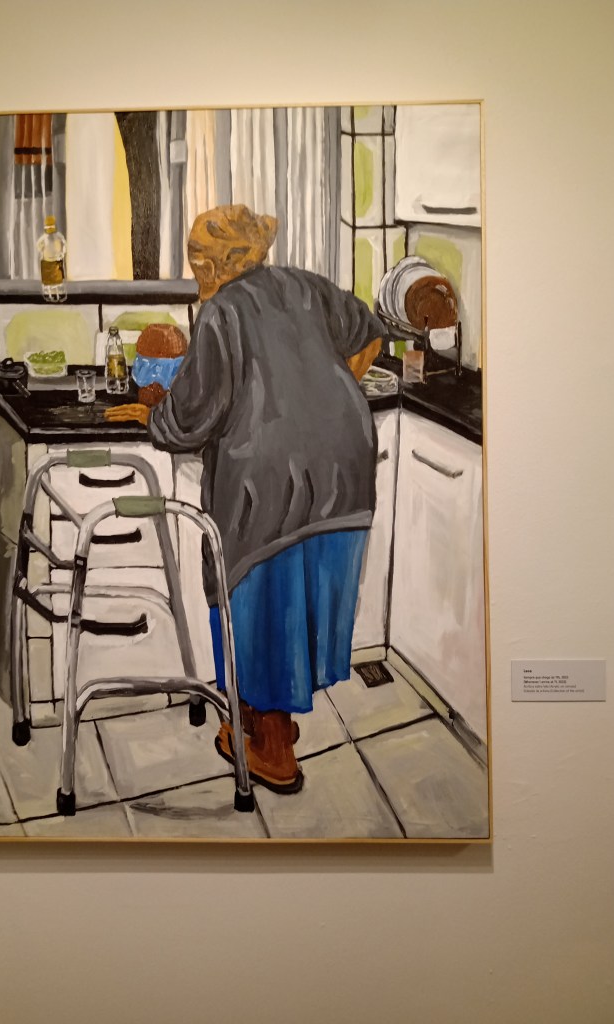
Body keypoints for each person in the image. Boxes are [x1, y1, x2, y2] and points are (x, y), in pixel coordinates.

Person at [105, 204, 385, 794]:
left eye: (196, 258)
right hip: (345, 469)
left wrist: (152, 416)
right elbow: (369, 335)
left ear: (216, 264)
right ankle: (258, 723)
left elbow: (190, 419)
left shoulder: (220, 311)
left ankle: (275, 750)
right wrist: (323, 401)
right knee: (304, 599)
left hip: (268, 485)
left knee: (260, 599)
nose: (193, 270)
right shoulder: (305, 285)